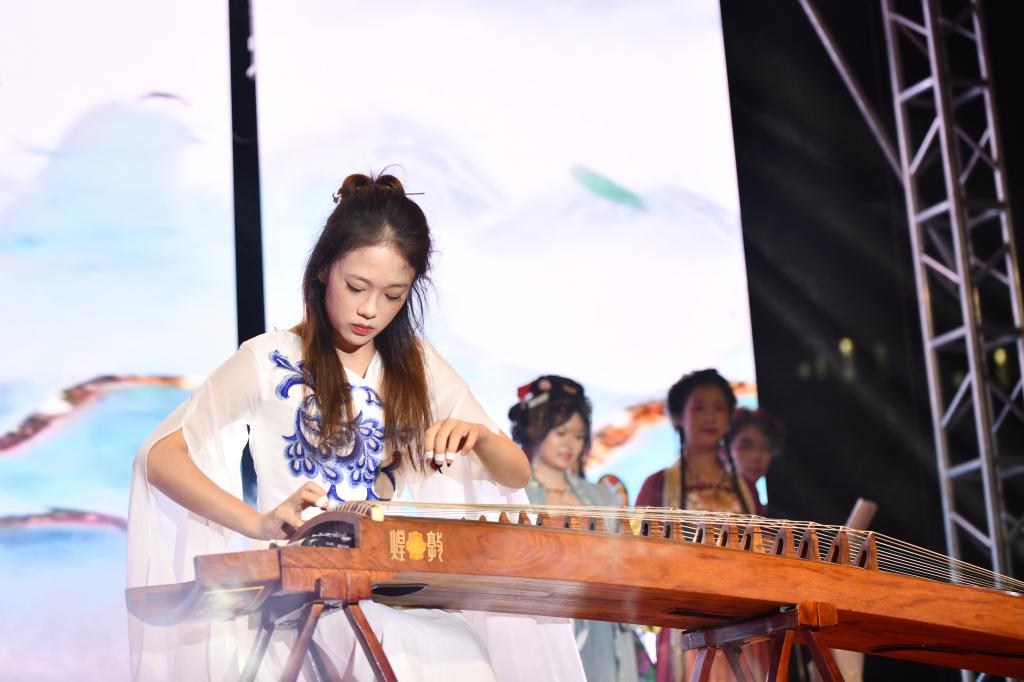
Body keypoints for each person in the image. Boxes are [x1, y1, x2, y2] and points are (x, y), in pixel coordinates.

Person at [126, 173, 585, 681]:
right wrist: (257, 523)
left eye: (393, 295)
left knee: (457, 647)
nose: (370, 310)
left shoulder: (416, 364)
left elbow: (515, 473)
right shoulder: (270, 359)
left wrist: (476, 436)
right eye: (356, 287)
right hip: (306, 597)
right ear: (324, 268)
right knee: (394, 644)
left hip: (394, 587)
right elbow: (161, 455)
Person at [508, 375, 640, 682]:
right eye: (561, 432)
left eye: (579, 436)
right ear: (535, 428)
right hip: (539, 621)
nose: (570, 444)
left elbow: (627, 564)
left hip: (600, 622)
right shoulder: (514, 494)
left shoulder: (603, 498)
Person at [635, 369, 758, 682]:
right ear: (678, 416)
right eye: (699, 407)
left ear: (729, 418)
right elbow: (638, 559)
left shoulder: (746, 488)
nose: (710, 417)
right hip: (687, 625)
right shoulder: (657, 486)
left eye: (719, 408)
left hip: (748, 624)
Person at [725, 408, 785, 516]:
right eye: (745, 446)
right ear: (724, 450)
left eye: (766, 447)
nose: (756, 456)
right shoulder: (718, 501)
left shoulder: (755, 499)